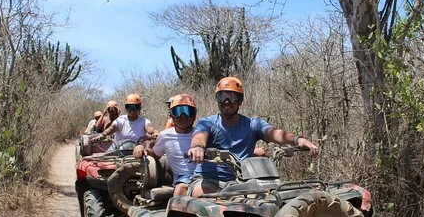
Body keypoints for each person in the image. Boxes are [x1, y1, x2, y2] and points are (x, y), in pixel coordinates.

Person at [187, 77, 319, 198]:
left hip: (241, 183)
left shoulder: (253, 124)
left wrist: (298, 140)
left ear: (240, 101)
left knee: (270, 200)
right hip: (208, 180)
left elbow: (274, 133)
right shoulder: (207, 123)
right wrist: (197, 148)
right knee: (204, 197)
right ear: (217, 99)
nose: (227, 102)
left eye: (232, 97)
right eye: (222, 97)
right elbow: (199, 137)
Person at [148, 94, 198, 196]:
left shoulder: (202, 133)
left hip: (205, 176)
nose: (183, 116)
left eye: (188, 111)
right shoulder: (165, 136)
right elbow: (155, 155)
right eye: (178, 112)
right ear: (172, 116)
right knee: (180, 189)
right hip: (182, 179)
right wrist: (142, 148)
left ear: (194, 115)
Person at [94, 93, 159, 158]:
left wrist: (155, 133)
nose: (132, 110)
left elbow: (150, 128)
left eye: (135, 107)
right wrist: (103, 135)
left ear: (139, 108)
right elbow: (112, 128)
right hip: (118, 149)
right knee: (105, 159)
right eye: (129, 107)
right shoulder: (120, 120)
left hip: (137, 149)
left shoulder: (144, 121)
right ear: (126, 108)